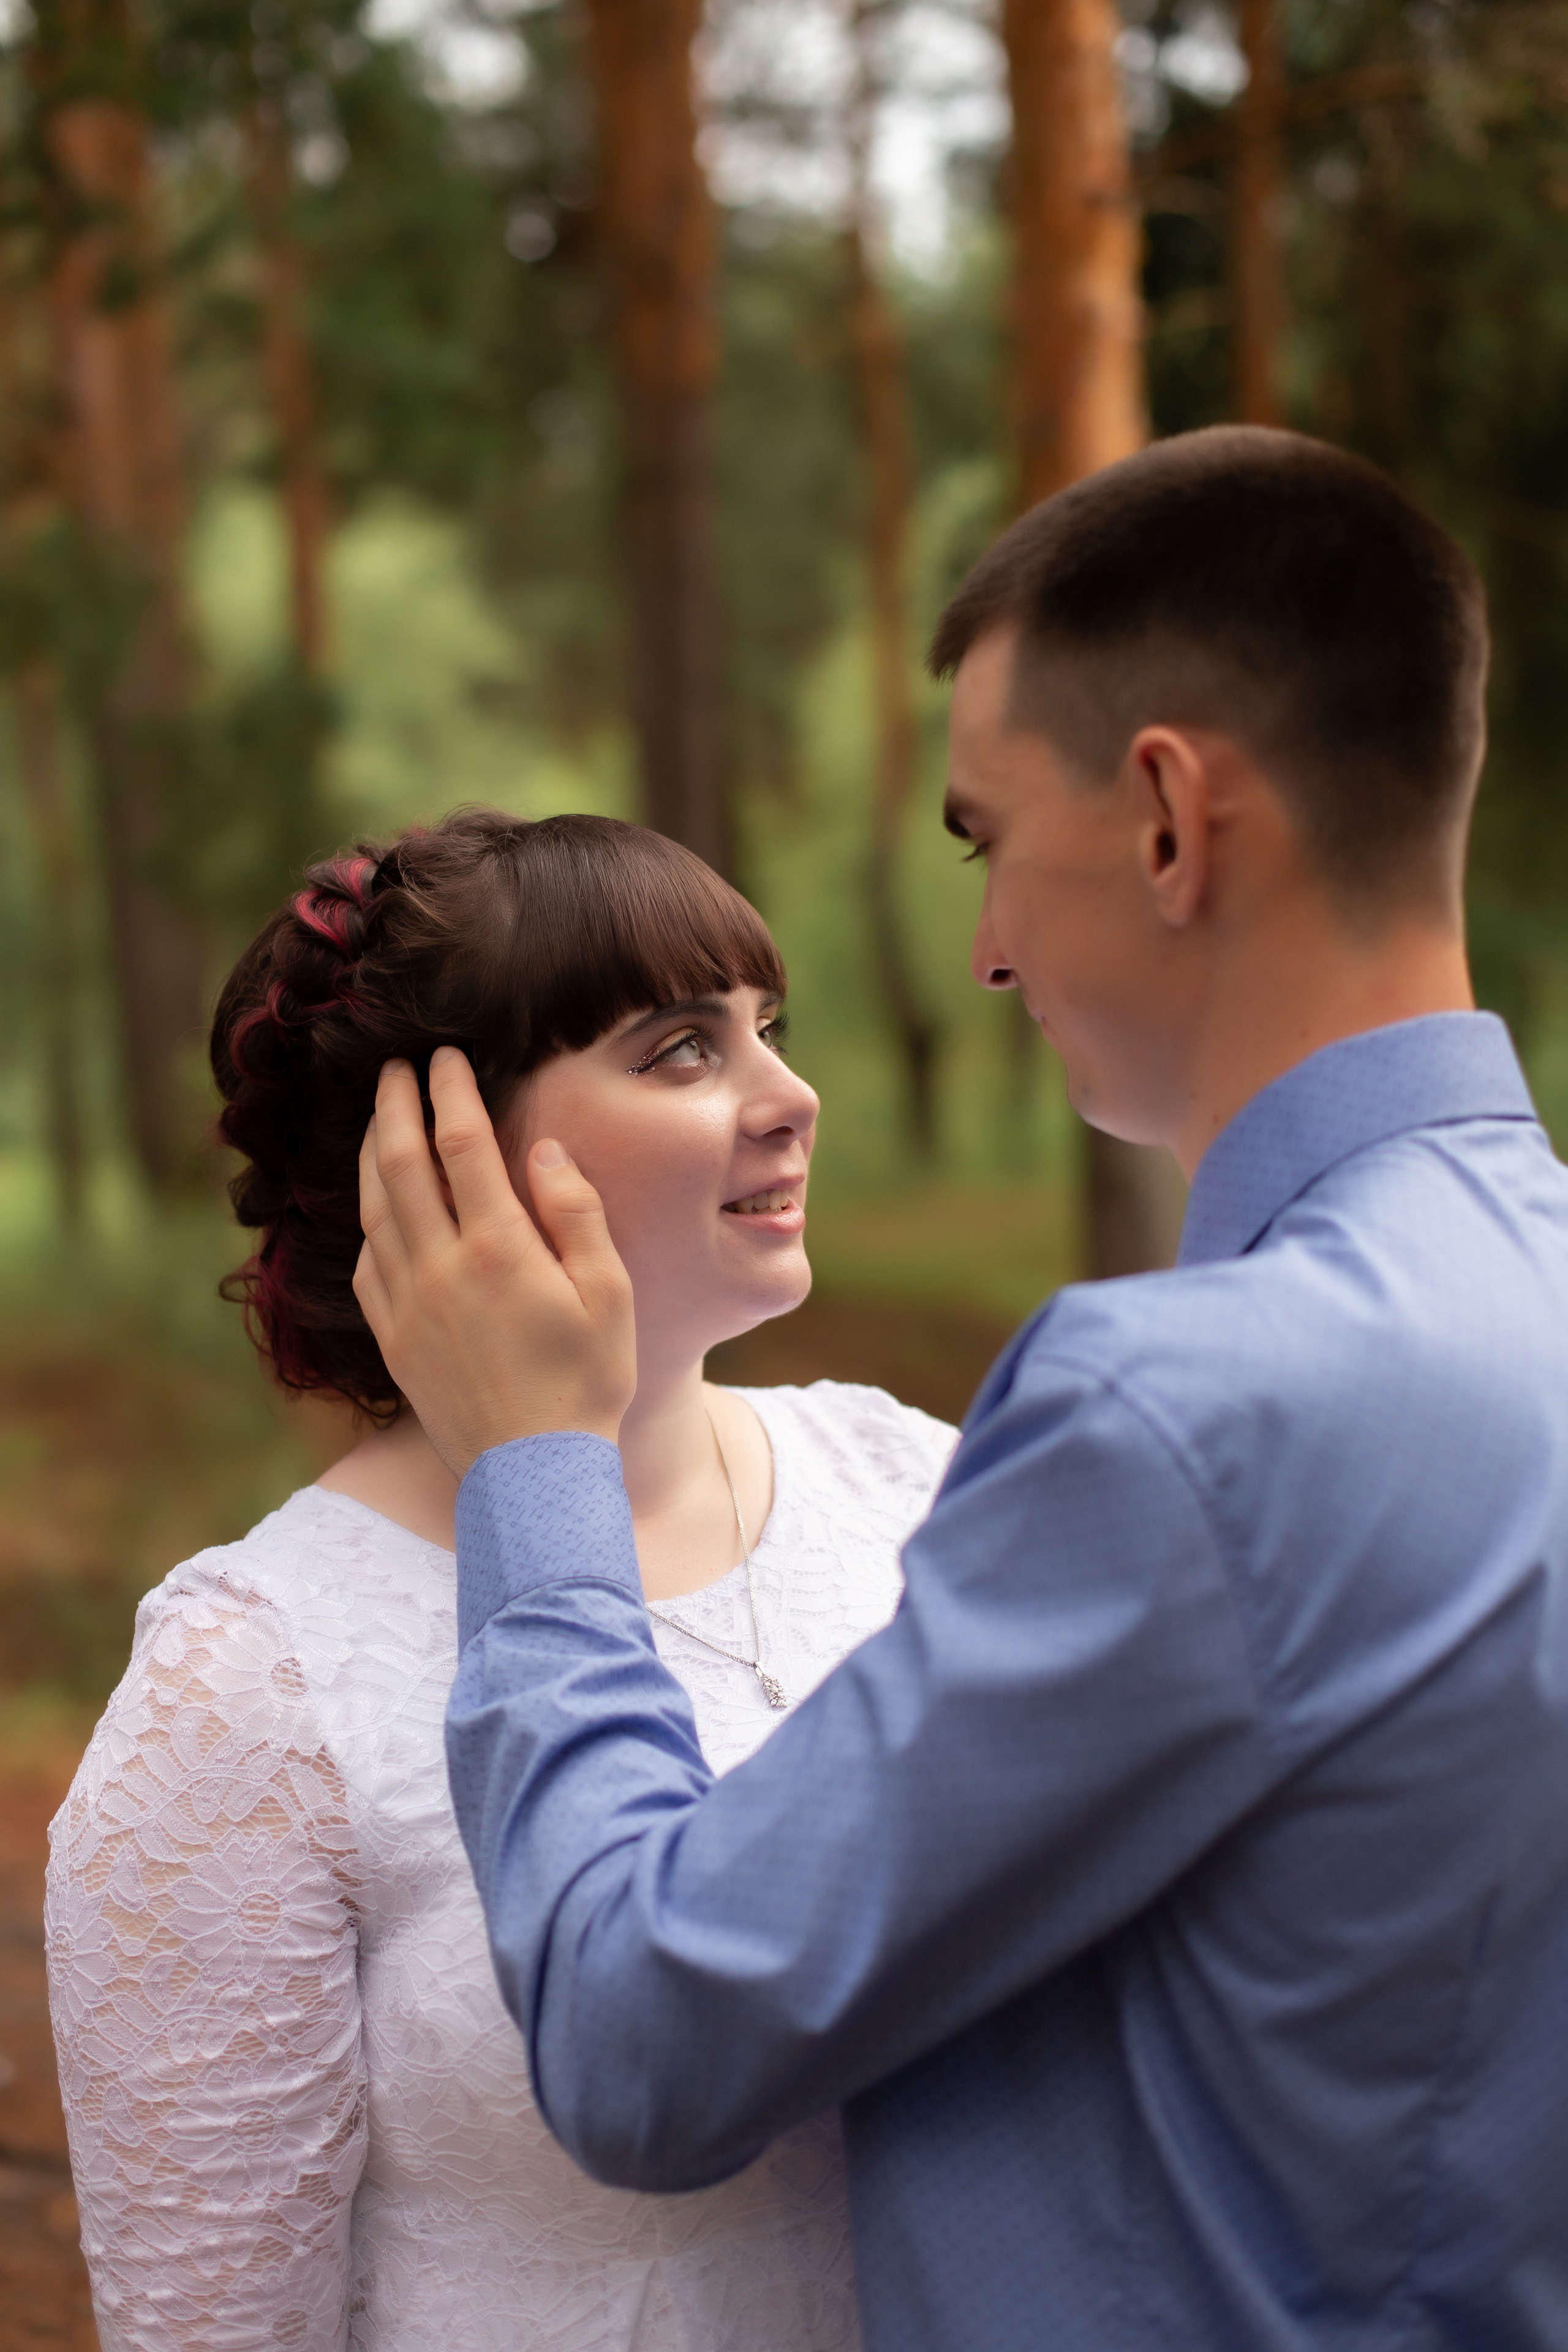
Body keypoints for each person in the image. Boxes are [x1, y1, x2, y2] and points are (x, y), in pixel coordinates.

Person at [356, 428, 1568, 2352]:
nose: (989, 954)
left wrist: (535, 1466)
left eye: (986, 839)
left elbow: (638, 2035)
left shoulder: (1187, 1418)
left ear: (1170, 818)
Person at [44, 809, 957, 2352]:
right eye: (681, 1049)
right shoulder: (252, 1685)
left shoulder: (915, 1487)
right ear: (433, 1155)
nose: (789, 1098)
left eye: (766, 1030)